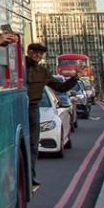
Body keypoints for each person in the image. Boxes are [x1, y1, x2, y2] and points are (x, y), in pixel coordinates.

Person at [25, 43, 76, 190]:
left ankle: (31, 177)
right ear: (29, 52)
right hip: (16, 106)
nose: (38, 55)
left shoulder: (43, 72)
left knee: (34, 145)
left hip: (33, 108)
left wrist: (74, 78)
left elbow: (60, 87)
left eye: (40, 54)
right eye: (35, 52)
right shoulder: (19, 65)